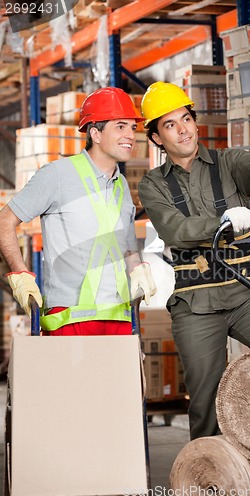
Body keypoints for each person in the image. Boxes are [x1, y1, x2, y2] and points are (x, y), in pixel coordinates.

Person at [138, 81, 250, 440]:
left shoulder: (226, 163)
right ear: (157, 138)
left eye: (186, 119)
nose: (183, 129)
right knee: (205, 401)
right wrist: (219, 223)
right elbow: (174, 229)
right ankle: (211, 477)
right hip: (196, 304)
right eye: (170, 125)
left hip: (245, 292)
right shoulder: (152, 184)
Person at [0, 87, 156, 335]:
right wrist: (20, 273)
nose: (130, 135)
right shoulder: (57, 175)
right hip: (70, 319)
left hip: (120, 317)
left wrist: (137, 267)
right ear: (95, 133)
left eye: (132, 127)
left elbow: (125, 244)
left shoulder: (121, 185)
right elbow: (4, 221)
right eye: (120, 126)